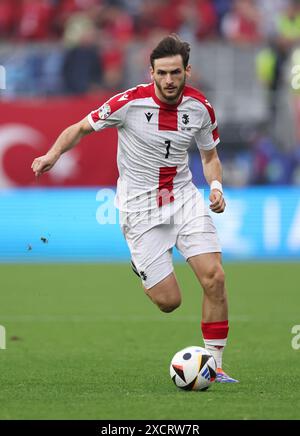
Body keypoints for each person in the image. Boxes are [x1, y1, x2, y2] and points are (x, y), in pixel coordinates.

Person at [31, 34, 238, 383]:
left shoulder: (201, 108)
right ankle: (140, 264)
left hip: (184, 199)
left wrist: (215, 187)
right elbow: (81, 127)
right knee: (169, 302)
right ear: (151, 73)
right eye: (162, 73)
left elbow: (210, 156)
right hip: (139, 210)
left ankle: (214, 366)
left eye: (175, 72)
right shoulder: (129, 103)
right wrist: (52, 154)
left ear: (187, 71)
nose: (169, 80)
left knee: (214, 277)